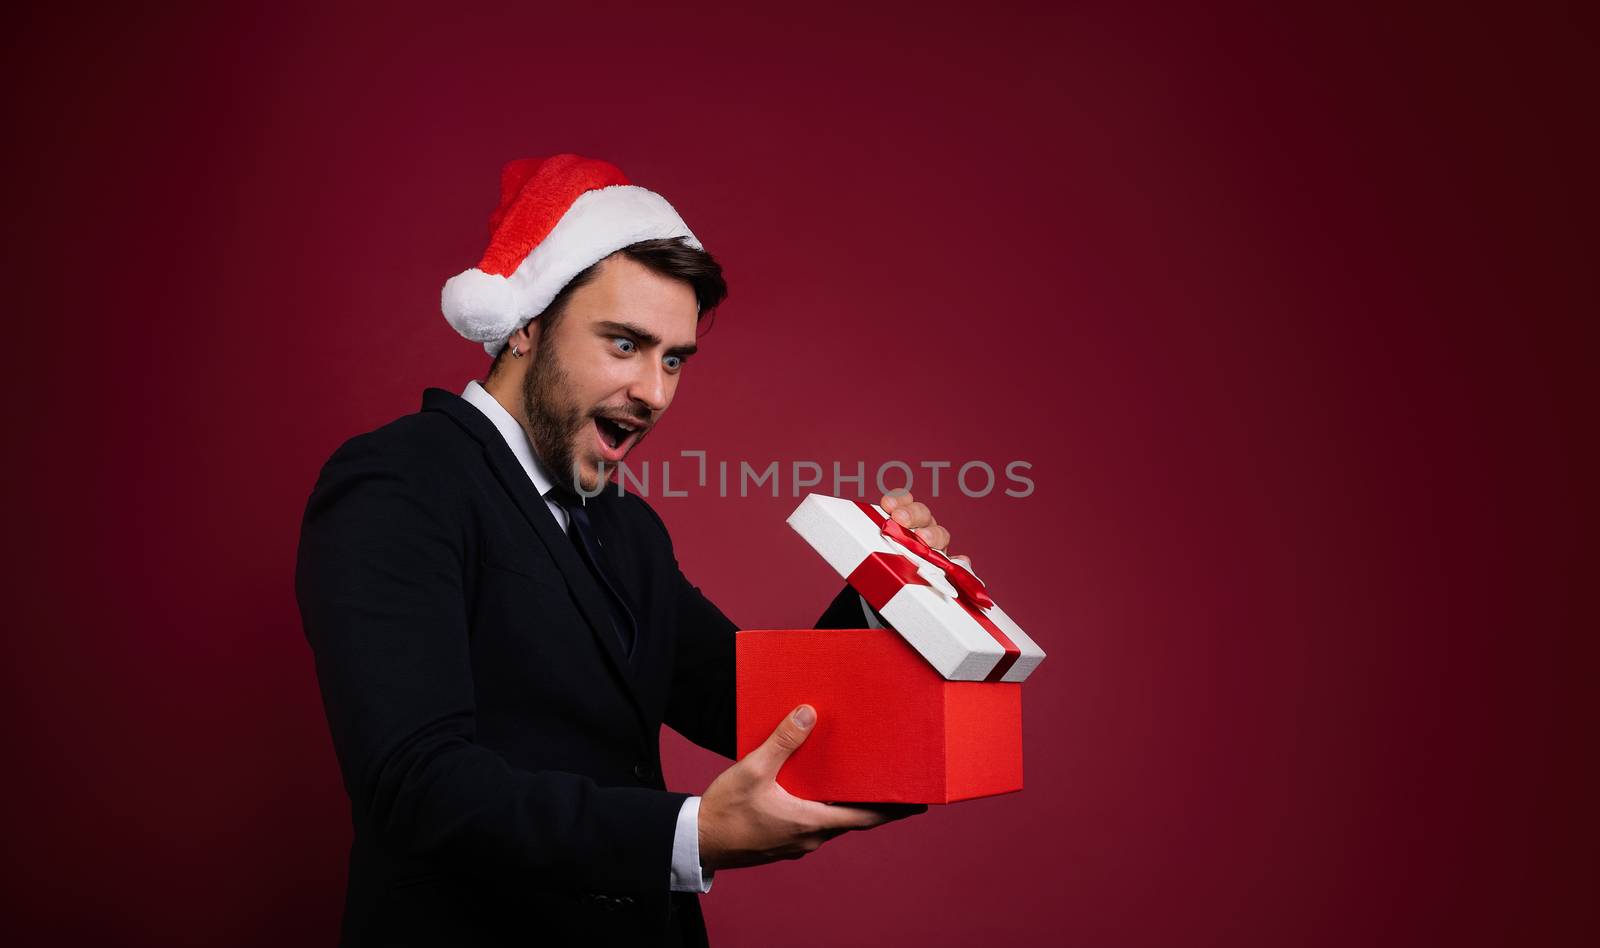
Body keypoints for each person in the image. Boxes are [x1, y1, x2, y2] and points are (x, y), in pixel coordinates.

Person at [295, 155, 968, 947]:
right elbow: (416, 787)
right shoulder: (401, 481)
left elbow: (748, 703)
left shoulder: (626, 528)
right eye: (625, 345)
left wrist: (878, 587)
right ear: (525, 323)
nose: (656, 392)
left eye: (674, 358)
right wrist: (691, 836)